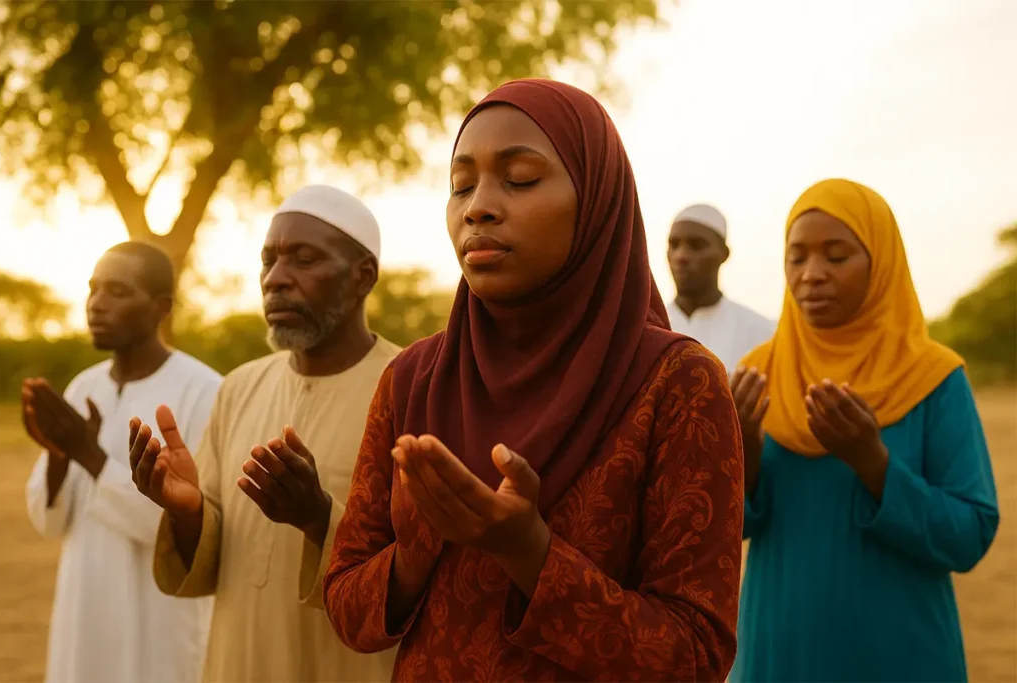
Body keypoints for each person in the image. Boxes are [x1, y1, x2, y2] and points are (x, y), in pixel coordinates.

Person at [323, 79, 744, 682]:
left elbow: (695, 657)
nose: (479, 207)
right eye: (461, 186)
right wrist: (413, 555)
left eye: (519, 178)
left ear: (597, 200)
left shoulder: (677, 383)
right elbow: (347, 610)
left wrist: (529, 551)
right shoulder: (412, 381)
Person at [127, 185, 400, 683]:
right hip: (239, 665)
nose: (276, 280)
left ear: (363, 276)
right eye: (268, 261)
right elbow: (211, 560)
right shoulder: (239, 387)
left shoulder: (412, 388)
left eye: (304, 259)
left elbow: (420, 574)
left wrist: (319, 519)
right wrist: (188, 511)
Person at [729, 178, 999, 682]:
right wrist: (741, 452)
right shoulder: (760, 376)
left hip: (900, 655)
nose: (812, 275)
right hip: (780, 654)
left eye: (836, 256)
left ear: (881, 263)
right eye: (797, 257)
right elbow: (727, 533)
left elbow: (970, 535)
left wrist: (873, 462)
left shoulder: (932, 378)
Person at [23, 241, 220, 683]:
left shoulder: (204, 391)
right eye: (93, 289)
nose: (96, 304)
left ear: (161, 308)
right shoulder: (82, 387)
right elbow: (49, 522)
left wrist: (90, 455)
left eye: (117, 291)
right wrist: (57, 453)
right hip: (82, 620)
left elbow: (188, 531)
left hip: (159, 629)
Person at [666, 203, 775, 372]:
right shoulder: (649, 328)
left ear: (724, 254)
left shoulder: (763, 333)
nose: (681, 256)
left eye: (696, 245)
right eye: (674, 245)